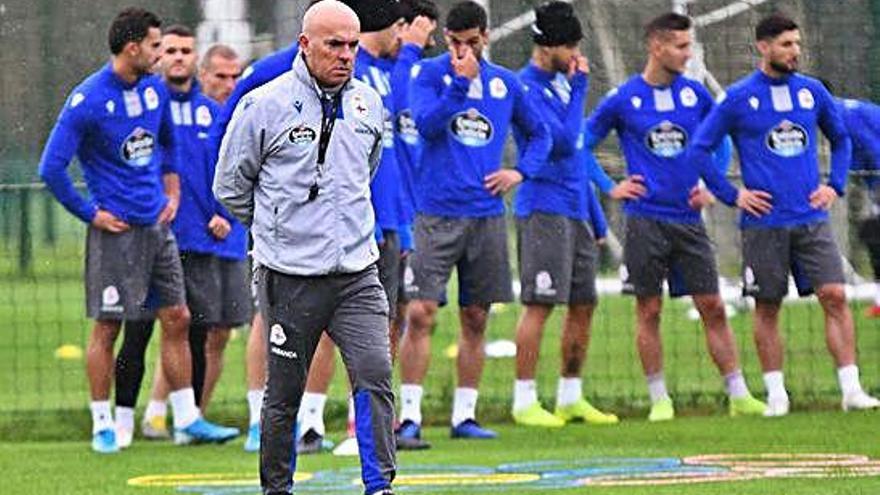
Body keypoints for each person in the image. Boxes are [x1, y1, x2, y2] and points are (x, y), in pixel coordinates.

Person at [38, 7, 239, 453]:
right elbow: (51, 167)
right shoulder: (88, 100)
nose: (160, 54)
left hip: (157, 228)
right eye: (154, 45)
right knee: (109, 327)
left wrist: (171, 191)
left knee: (178, 317)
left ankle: (188, 418)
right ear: (133, 48)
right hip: (116, 232)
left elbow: (166, 142)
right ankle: (102, 424)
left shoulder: (154, 90)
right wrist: (90, 213)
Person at [214, 1, 396, 494]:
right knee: (284, 396)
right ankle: (278, 488)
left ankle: (380, 487)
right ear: (305, 44)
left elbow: (368, 169)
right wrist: (279, 227)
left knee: (375, 375)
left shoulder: (369, 104)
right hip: (290, 276)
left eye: (353, 45)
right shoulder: (263, 104)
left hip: (358, 273)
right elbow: (230, 185)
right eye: (334, 44)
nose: (345, 55)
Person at [690, 13, 880, 416]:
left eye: (797, 44)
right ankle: (776, 395)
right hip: (763, 224)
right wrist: (732, 194)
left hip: (810, 219)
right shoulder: (739, 98)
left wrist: (835, 185)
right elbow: (699, 149)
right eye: (786, 44)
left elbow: (841, 138)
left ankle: (851, 389)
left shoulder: (812, 93)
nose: (795, 52)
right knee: (767, 305)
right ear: (763, 46)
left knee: (834, 295)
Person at [584, 12, 766, 422]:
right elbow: (583, 145)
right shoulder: (623, 98)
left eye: (690, 45)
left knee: (712, 305)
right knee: (648, 310)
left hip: (689, 220)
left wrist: (711, 185)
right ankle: (659, 399)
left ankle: (738, 393)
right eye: (682, 47)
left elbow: (721, 142)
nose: (689, 54)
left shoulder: (696, 95)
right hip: (644, 220)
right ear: (657, 47)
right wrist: (609, 185)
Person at [400, 0, 551, 441]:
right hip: (435, 212)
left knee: (476, 317)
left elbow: (539, 134)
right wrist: (458, 88)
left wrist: (519, 172)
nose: (463, 51)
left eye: (471, 42)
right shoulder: (428, 75)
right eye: (455, 43)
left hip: (486, 217)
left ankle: (464, 416)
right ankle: (409, 416)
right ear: (446, 40)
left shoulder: (506, 84)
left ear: (485, 37)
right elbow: (426, 125)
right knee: (421, 312)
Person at [510, 1, 618, 428]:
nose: (576, 54)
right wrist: (579, 90)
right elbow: (562, 140)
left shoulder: (561, 81)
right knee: (540, 304)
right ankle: (524, 400)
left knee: (583, 304)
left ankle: (570, 396)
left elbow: (578, 155)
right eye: (570, 45)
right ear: (546, 46)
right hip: (543, 209)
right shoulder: (527, 87)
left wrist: (596, 217)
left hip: (575, 209)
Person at [831, 93, 880, 317]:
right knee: (871, 233)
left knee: (872, 232)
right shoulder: (845, 110)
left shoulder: (844, 116)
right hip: (875, 181)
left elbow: (873, 149)